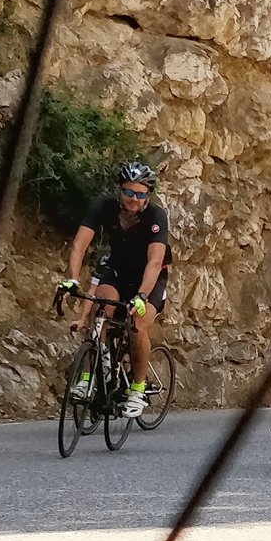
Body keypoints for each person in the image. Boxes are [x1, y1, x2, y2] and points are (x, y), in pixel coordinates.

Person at [57, 159, 171, 418]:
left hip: (149, 278)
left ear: (147, 196)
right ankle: (89, 377)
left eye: (140, 194)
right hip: (118, 271)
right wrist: (73, 279)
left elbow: (154, 262)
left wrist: (142, 295)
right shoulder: (103, 206)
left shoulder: (156, 216)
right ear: (119, 190)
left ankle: (137, 389)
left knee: (137, 325)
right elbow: (79, 245)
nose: (133, 198)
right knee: (101, 312)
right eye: (128, 192)